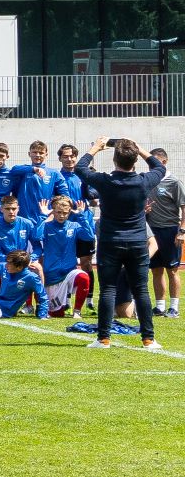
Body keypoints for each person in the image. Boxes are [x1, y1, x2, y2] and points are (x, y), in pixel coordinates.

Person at [76, 137, 163, 350]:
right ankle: (148, 339)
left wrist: (96, 147)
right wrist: (139, 148)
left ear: (114, 159)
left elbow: (80, 167)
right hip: (137, 242)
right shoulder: (144, 181)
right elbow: (159, 166)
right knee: (141, 290)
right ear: (134, 161)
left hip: (110, 242)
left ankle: (103, 339)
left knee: (108, 290)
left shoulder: (105, 181)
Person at [36, 194, 96, 318]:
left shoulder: (74, 226)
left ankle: (77, 311)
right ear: (53, 211)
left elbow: (89, 236)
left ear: (69, 212)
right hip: (51, 277)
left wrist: (80, 215)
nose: (62, 215)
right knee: (57, 314)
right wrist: (43, 214)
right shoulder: (47, 227)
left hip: (69, 273)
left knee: (84, 277)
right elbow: (36, 236)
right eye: (58, 212)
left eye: (65, 212)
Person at [148, 148, 181, 318]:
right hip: (152, 232)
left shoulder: (174, 182)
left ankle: (174, 306)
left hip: (170, 230)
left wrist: (182, 231)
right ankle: (159, 306)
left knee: (172, 269)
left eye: (154, 162)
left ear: (164, 162)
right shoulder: (148, 180)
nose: (151, 166)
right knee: (156, 270)